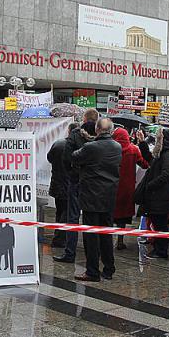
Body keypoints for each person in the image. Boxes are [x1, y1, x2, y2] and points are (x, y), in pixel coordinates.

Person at [71, 118, 122, 281]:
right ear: (111, 130)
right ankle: (109, 268)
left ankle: (92, 271)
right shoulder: (117, 146)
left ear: (97, 129)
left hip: (91, 196)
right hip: (109, 196)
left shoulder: (90, 147)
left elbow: (75, 156)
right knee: (106, 233)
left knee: (91, 236)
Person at [53, 108, 99, 263]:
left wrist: (72, 174)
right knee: (91, 219)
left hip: (77, 181)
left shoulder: (76, 134)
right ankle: (91, 256)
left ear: (84, 119)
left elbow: (66, 158)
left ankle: (70, 252)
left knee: (72, 217)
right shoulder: (101, 135)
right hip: (93, 183)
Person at [140, 128, 169, 259]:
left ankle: (161, 250)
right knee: (157, 222)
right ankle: (158, 248)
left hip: (162, 195)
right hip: (157, 194)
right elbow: (151, 161)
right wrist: (142, 143)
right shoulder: (163, 153)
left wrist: (150, 185)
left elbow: (166, 175)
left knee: (161, 223)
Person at [112, 127, 150, 250]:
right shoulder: (133, 149)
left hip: (111, 186)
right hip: (127, 188)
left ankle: (105, 240)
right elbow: (144, 164)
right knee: (122, 216)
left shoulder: (111, 149)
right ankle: (120, 241)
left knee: (109, 213)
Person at [47, 123, 78, 248]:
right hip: (70, 184)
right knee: (67, 213)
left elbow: (49, 158)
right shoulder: (78, 147)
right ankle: (60, 238)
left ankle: (58, 236)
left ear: (69, 131)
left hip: (57, 183)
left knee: (59, 211)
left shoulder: (58, 144)